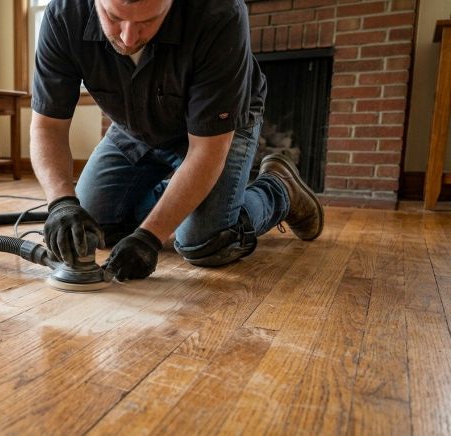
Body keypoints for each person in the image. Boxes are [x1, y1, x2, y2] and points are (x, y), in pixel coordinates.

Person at [31, 0, 324, 281]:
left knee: (204, 242)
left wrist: (150, 236)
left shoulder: (219, 13)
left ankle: (278, 189)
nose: (128, 37)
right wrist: (61, 203)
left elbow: (206, 151)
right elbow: (47, 128)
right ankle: (185, 200)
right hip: (135, 128)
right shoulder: (63, 15)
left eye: (148, 21)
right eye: (114, 17)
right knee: (94, 224)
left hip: (219, 131)